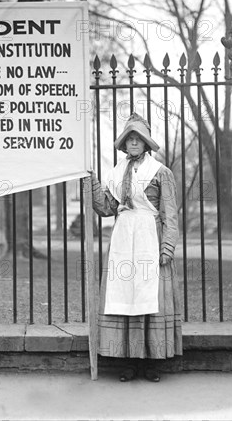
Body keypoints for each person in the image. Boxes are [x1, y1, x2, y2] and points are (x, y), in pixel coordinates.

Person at [89, 112, 182, 382]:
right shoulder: (116, 172)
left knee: (149, 299)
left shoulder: (161, 172)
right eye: (128, 138)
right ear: (123, 143)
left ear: (146, 143)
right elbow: (106, 208)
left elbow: (170, 213)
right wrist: (91, 181)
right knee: (124, 298)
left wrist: (167, 246)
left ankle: (151, 364)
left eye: (137, 138)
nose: (133, 142)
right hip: (123, 239)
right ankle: (128, 363)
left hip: (150, 239)